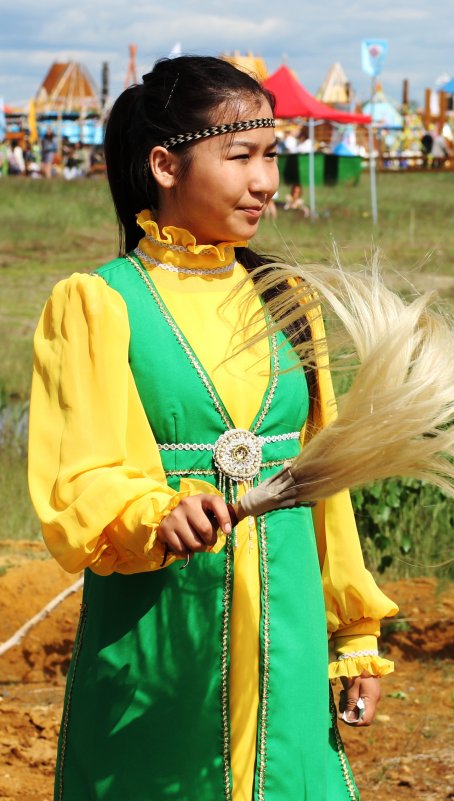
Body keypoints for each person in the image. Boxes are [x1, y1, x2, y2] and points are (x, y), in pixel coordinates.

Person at [28, 55, 398, 801]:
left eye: (271, 156)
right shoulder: (99, 305)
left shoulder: (288, 300)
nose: (266, 181)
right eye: (241, 157)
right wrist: (157, 510)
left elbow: (326, 481)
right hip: (160, 641)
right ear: (165, 164)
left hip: (286, 640)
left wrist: (354, 630)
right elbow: (83, 474)